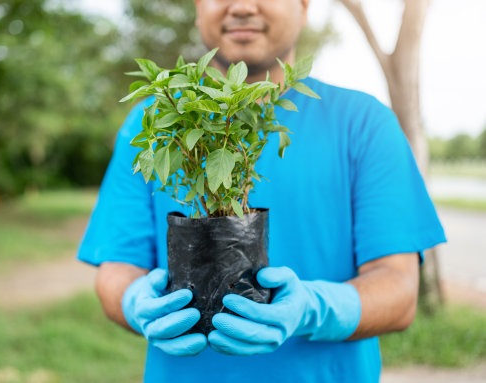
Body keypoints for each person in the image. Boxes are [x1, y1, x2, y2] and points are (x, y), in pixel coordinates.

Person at [78, 0, 446, 381]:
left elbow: (400, 291)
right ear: (197, 7)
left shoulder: (364, 123)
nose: (241, 6)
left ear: (304, 8)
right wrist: (134, 302)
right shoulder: (150, 124)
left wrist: (313, 308)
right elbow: (115, 271)